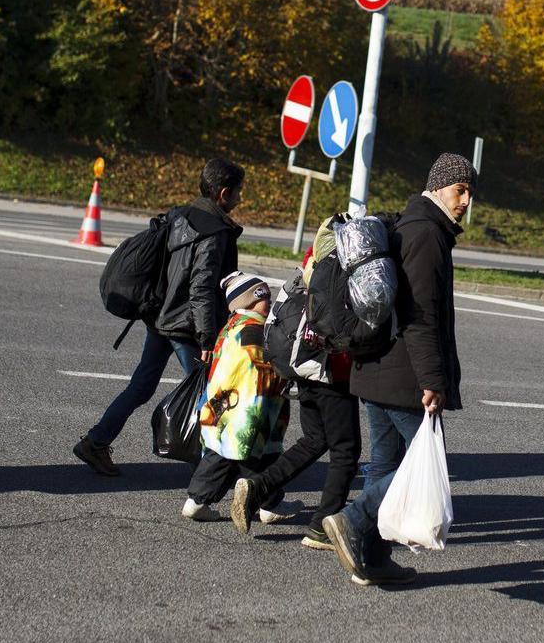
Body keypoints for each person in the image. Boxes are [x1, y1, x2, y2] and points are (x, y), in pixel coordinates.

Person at [322, 152, 472, 586]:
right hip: (405, 375)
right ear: (440, 185)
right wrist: (432, 380)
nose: (465, 201)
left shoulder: (415, 224)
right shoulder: (427, 234)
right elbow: (419, 315)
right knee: (423, 464)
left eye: (469, 193)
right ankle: (352, 519)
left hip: (377, 370)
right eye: (460, 190)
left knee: (386, 466)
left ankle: (371, 558)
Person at [73, 158, 245, 476]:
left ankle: (95, 443)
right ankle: (212, 471)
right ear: (223, 194)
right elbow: (202, 288)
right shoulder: (214, 232)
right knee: (209, 393)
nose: (240, 199)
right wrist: (208, 337)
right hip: (186, 327)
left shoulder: (180, 215)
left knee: (141, 385)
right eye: (238, 193)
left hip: (160, 317)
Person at [229, 235, 362, 549]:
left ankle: (258, 486)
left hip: (301, 360)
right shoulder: (347, 269)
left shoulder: (314, 260)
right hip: (330, 368)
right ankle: (321, 527)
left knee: (315, 439)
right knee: (346, 451)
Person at [182, 272, 299, 522]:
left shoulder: (232, 326)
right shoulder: (253, 330)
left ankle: (196, 500)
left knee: (221, 455)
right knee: (259, 458)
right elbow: (264, 365)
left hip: (225, 407)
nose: (268, 304)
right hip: (251, 408)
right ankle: (269, 504)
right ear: (246, 303)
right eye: (263, 299)